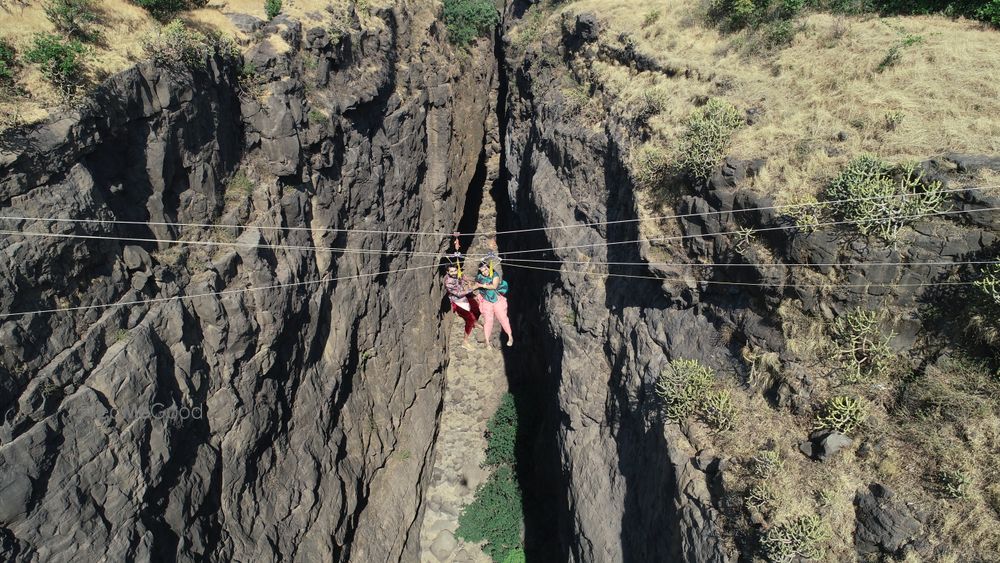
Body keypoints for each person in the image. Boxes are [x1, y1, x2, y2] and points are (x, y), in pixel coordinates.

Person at [474, 257, 513, 349]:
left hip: (496, 299)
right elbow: (475, 284)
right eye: (482, 271)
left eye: (485, 270)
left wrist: (481, 285)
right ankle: (487, 342)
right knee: (488, 321)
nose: (484, 272)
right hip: (486, 301)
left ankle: (510, 336)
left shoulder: (495, 275)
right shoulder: (479, 277)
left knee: (503, 318)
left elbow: (494, 286)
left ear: (489, 268)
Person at [443, 262, 480, 349]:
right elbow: (458, 294)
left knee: (477, 308)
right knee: (469, 319)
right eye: (451, 272)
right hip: (458, 302)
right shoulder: (448, 282)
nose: (454, 273)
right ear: (448, 272)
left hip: (465, 297)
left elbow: (463, 277)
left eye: (455, 270)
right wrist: (472, 288)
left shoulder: (458, 274)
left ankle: (475, 323)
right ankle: (465, 341)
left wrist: (469, 281)